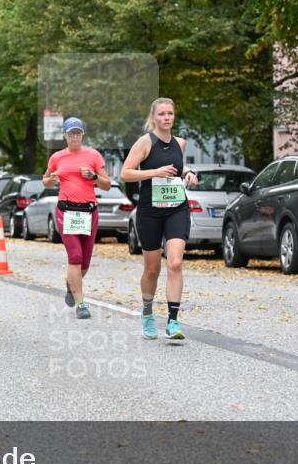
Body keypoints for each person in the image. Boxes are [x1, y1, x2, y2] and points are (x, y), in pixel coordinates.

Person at [120, 97, 198, 341]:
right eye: (162, 114)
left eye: (170, 114)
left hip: (176, 208)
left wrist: (189, 172)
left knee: (175, 263)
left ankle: (173, 322)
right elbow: (125, 173)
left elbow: (177, 166)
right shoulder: (145, 142)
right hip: (150, 211)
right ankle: (147, 313)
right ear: (153, 117)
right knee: (152, 268)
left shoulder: (180, 143)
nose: (166, 118)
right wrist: (155, 172)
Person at [43, 117, 111, 319]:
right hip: (67, 212)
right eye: (71, 133)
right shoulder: (57, 157)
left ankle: (70, 285)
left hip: (89, 212)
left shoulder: (93, 155)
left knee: (85, 263)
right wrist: (50, 179)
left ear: (82, 135)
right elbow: (45, 180)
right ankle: (81, 304)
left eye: (78, 133)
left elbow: (107, 184)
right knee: (75, 257)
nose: (75, 136)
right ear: (65, 135)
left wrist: (93, 177)